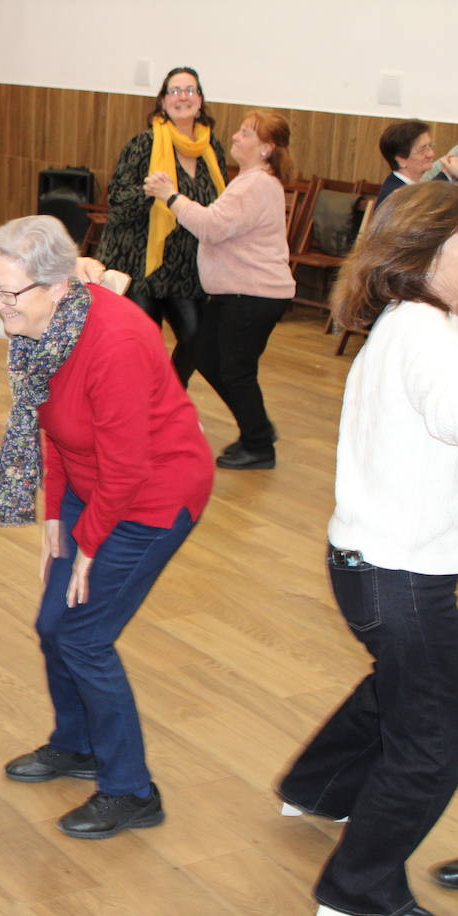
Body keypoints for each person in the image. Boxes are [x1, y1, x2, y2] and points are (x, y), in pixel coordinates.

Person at [0, 215, 213, 840]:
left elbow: (128, 461)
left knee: (83, 635)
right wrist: (57, 514)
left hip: (155, 493)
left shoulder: (112, 337)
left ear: (59, 286)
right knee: (51, 624)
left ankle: (131, 791)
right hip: (97, 486)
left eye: (10, 293)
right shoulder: (40, 330)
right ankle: (77, 746)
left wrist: (90, 544)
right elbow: (54, 426)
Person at [277, 181, 458, 916]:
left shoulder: (408, 321)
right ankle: (359, 893)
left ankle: (318, 787)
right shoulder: (424, 333)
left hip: (373, 567)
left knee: (408, 682)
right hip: (401, 577)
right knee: (435, 736)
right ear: (431, 253)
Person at [144, 110, 296, 470]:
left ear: (265, 148)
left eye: (246, 134)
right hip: (240, 293)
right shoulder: (251, 181)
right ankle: (257, 427)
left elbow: (211, 227)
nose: (236, 138)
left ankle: (258, 444)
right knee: (207, 356)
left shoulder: (256, 184)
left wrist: (171, 196)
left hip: (253, 294)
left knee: (234, 369)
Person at [98, 66, 226, 386]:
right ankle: (143, 408)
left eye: (190, 90)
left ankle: (169, 396)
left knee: (197, 338)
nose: (183, 97)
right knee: (143, 346)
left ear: (200, 100)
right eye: (175, 91)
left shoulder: (213, 150)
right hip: (142, 263)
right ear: (163, 101)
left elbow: (218, 205)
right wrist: (148, 192)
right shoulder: (144, 144)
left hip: (186, 268)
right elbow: (117, 199)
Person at [377, 120, 455, 206]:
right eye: (422, 150)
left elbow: (428, 195)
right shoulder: (395, 196)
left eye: (430, 146)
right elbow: (425, 204)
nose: (431, 154)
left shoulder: (406, 187)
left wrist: (448, 173)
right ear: (401, 160)